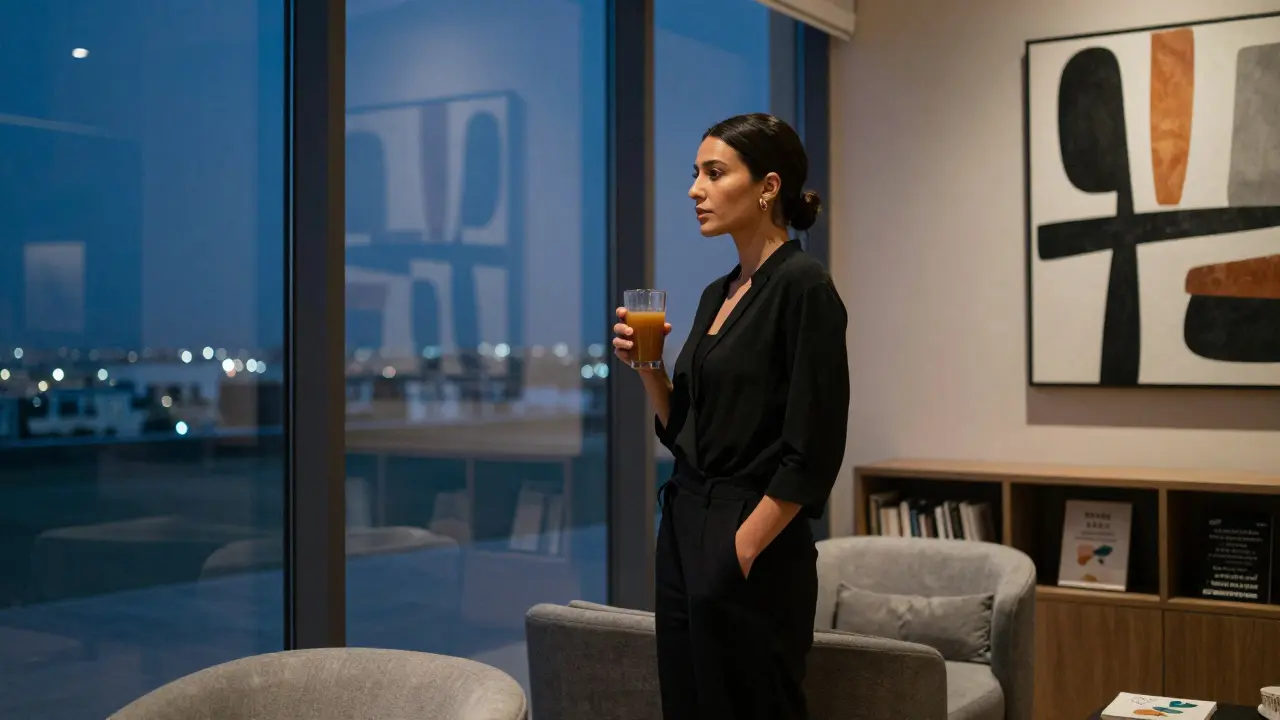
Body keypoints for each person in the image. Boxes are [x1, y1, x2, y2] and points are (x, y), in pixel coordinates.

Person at [612, 112, 850, 720]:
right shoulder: (718, 292)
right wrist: (649, 367)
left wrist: (742, 547)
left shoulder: (804, 286)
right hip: (686, 520)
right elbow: (687, 428)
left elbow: (813, 451)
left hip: (752, 534)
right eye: (695, 173)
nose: (695, 189)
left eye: (714, 173)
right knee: (687, 702)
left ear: (768, 187)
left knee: (749, 704)